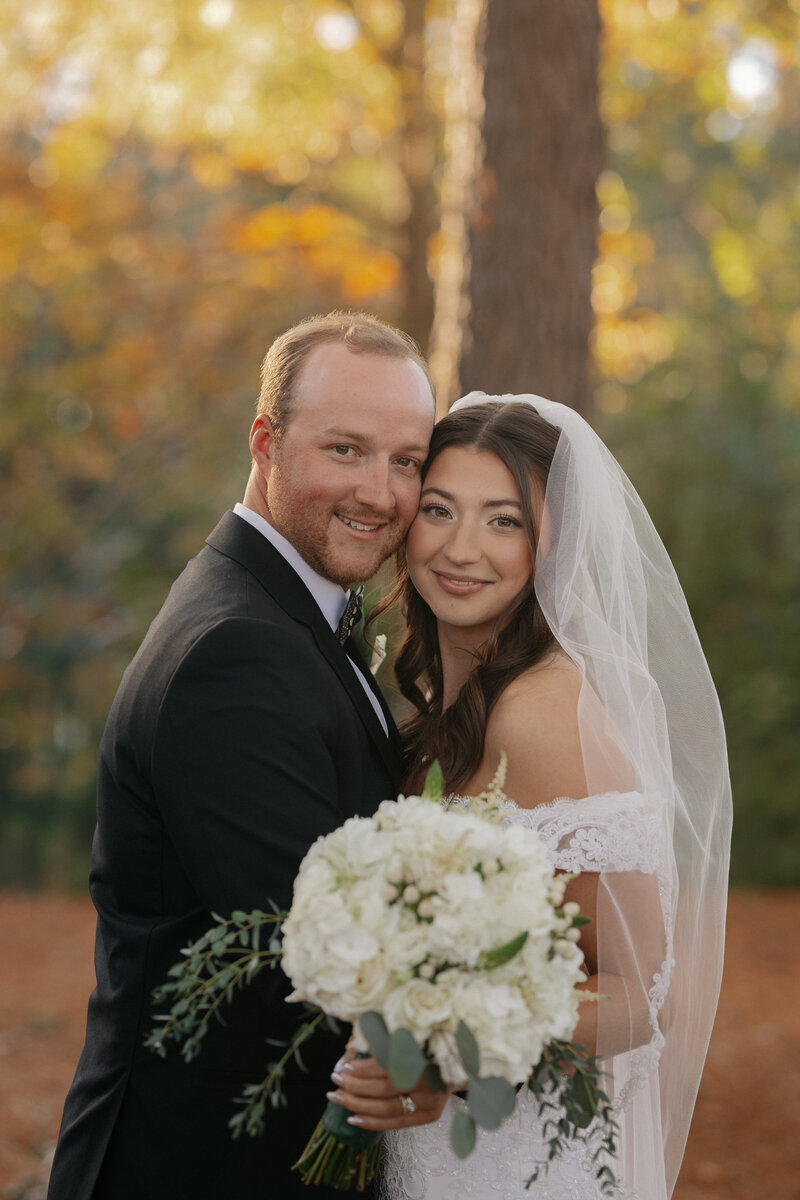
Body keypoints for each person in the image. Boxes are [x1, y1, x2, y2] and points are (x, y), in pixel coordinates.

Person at [47, 311, 450, 1200]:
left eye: (406, 461)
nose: (381, 494)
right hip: (197, 1165)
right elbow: (315, 945)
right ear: (266, 440)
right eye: (345, 450)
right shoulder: (235, 651)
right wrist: (497, 1020)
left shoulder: (283, 615)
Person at [327, 395, 731, 1200]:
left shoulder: (541, 713)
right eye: (439, 510)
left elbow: (643, 996)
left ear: (552, 546)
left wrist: (451, 1046)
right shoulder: (447, 704)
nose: (461, 548)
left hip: (516, 1165)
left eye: (504, 521)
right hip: (436, 1149)